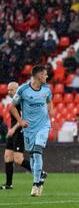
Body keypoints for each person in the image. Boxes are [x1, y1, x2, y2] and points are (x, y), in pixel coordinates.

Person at [10, 65, 53, 196]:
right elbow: (12, 107)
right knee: (33, 156)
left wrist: (51, 109)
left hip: (43, 126)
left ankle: (36, 184)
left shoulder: (47, 89)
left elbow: (49, 101)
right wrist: (20, 121)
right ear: (39, 76)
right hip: (29, 128)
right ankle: (40, 177)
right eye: (45, 74)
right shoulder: (23, 90)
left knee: (37, 150)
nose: (47, 77)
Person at [1, 82, 35, 190]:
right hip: (13, 132)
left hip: (20, 131)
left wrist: (13, 129)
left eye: (11, 89)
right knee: (7, 156)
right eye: (8, 90)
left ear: (17, 89)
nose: (9, 92)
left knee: (18, 159)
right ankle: (8, 184)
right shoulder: (14, 101)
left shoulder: (21, 101)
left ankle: (40, 172)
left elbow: (23, 118)